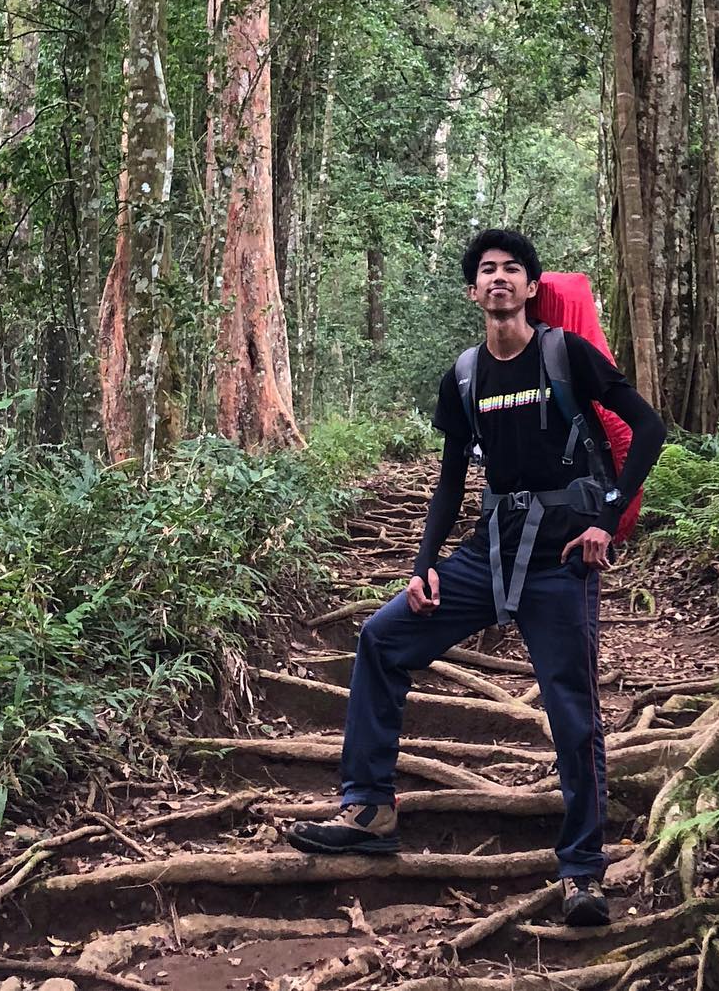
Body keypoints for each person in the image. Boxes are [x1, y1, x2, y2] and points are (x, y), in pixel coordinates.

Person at [285, 229, 666, 929]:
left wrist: (607, 521)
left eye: (511, 269)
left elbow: (648, 428)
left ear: (530, 287)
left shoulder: (565, 354)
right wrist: (424, 566)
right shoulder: (464, 376)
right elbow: (451, 478)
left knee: (573, 713)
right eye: (487, 270)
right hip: (487, 554)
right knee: (382, 638)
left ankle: (582, 871)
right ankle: (369, 809)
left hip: (563, 562)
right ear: (472, 291)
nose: (498, 278)